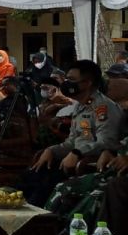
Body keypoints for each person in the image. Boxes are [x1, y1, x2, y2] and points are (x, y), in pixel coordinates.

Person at [24, 60, 126, 205]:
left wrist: (78, 152)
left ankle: (38, 223)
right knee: (32, 174)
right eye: (66, 79)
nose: (66, 83)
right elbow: (72, 141)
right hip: (72, 159)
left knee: (46, 184)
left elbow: (107, 142)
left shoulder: (103, 107)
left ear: (87, 83)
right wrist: (52, 150)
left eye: (71, 80)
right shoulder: (80, 106)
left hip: (91, 163)